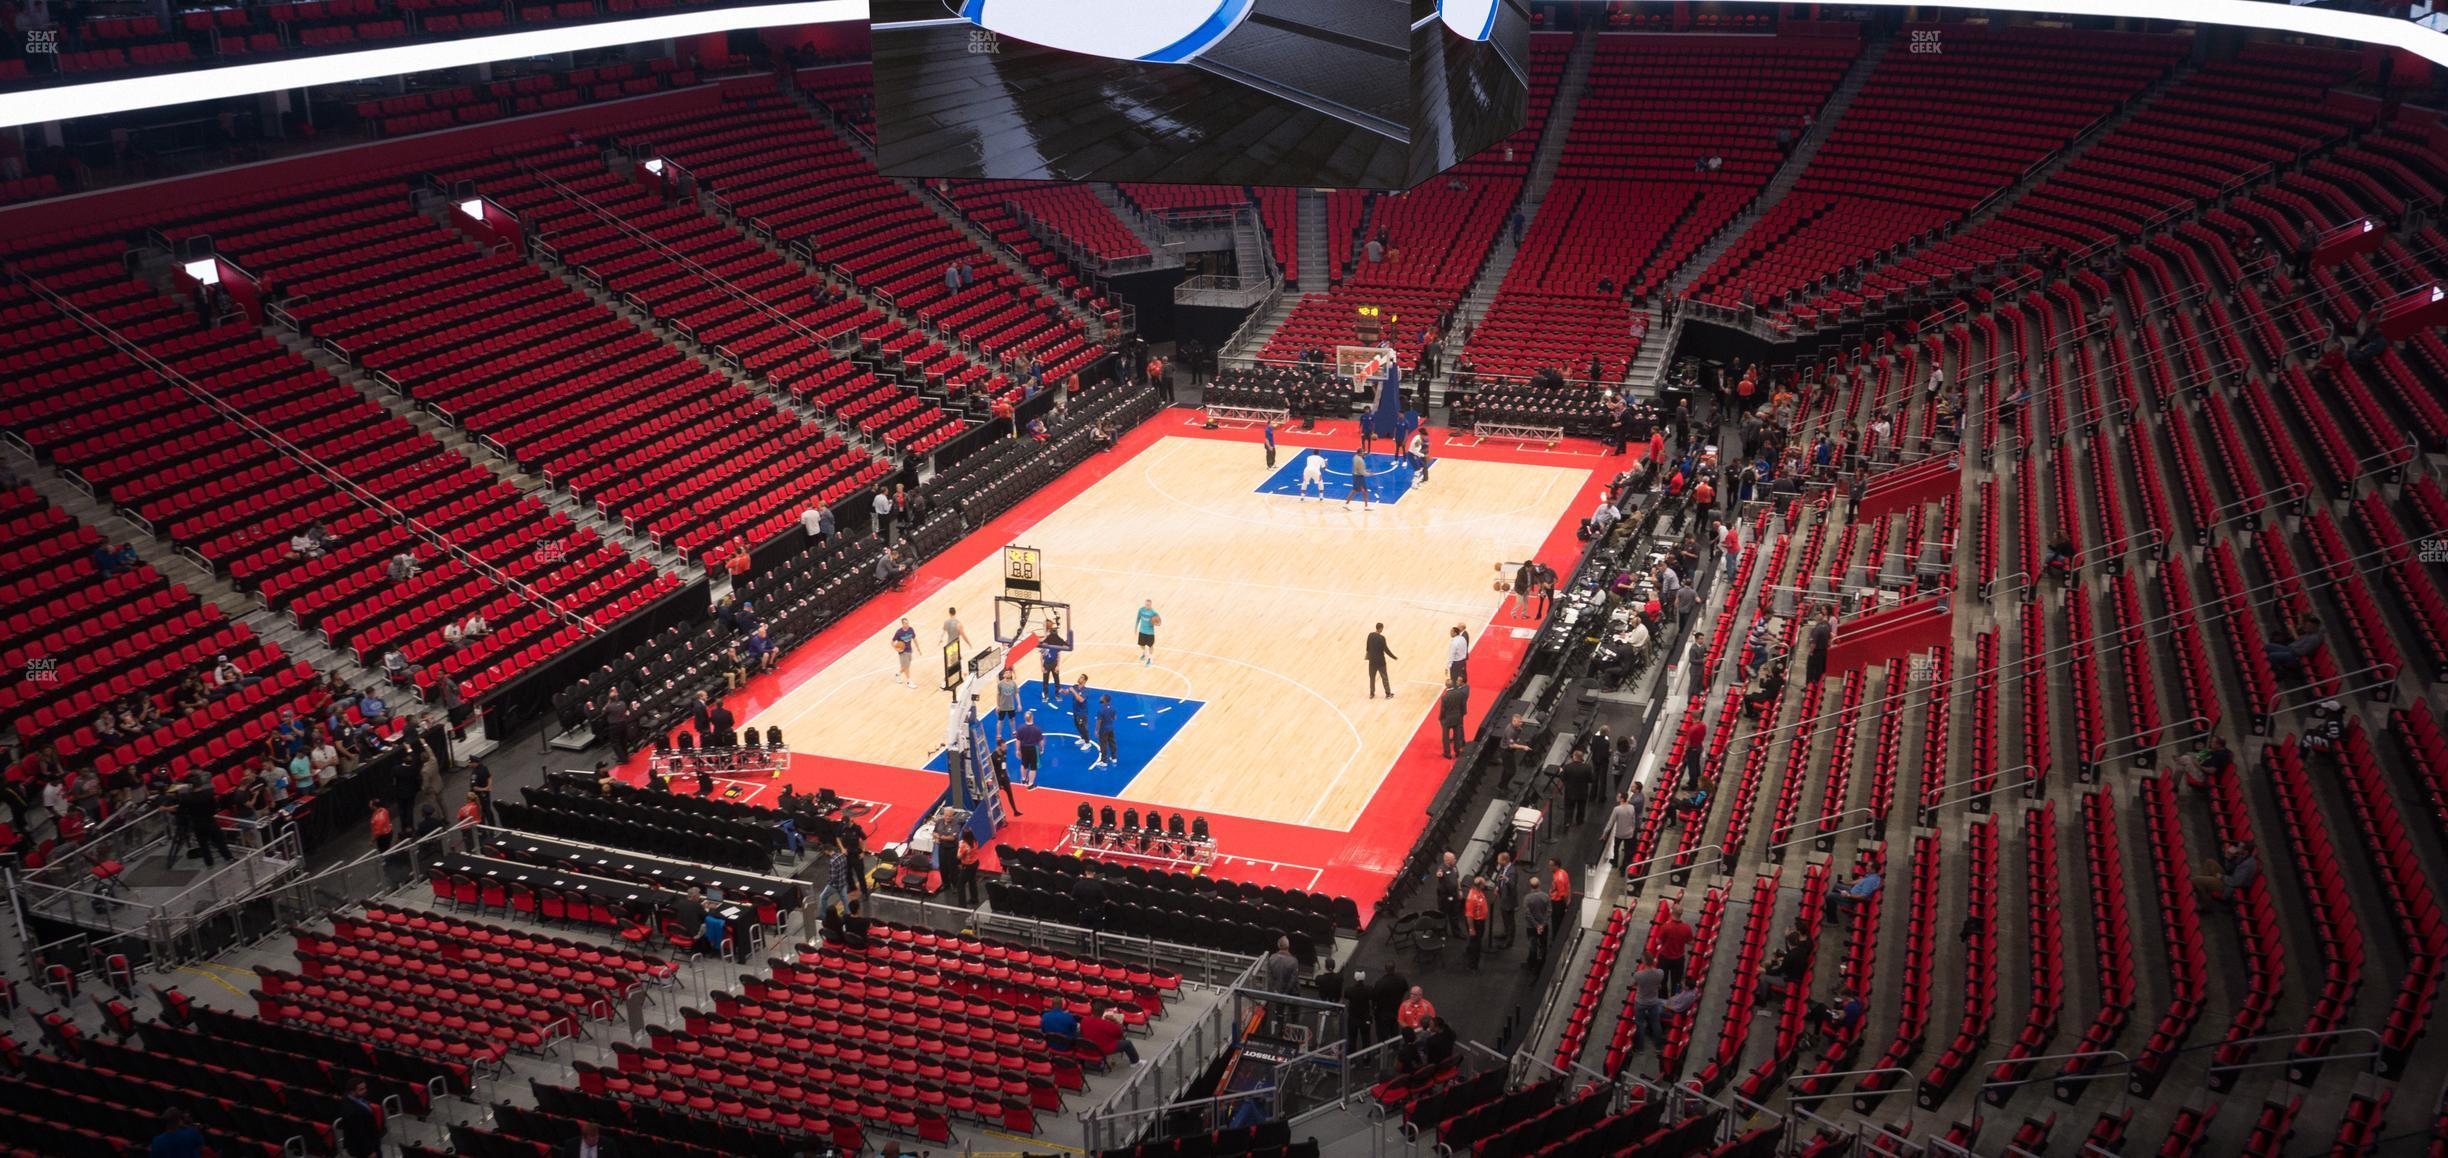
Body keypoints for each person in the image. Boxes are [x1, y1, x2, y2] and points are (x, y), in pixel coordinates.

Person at [2193, 841, 2259, 906]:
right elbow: (2229, 869)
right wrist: (2228, 858)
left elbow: (2236, 882)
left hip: (2229, 887)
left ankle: (2205, 904)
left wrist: (2222, 877)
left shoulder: (2247, 865)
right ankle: (2203, 891)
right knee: (2209, 862)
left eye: (2239, 847)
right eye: (2238, 845)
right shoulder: (2242, 855)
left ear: (2246, 851)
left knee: (2196, 880)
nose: (2236, 848)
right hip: (2229, 877)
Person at [1080, 1001, 1143, 1065]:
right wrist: (1114, 1021)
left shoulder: (1084, 1020)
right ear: (1103, 1012)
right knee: (1128, 1043)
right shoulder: (1105, 1024)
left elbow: (1082, 1032)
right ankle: (1135, 1062)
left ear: (1092, 1011)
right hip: (1101, 1049)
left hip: (1087, 1047)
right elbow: (1119, 1032)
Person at [1628, 954, 1667, 1051]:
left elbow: (1631, 984)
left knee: (1639, 1023)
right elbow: (1658, 984)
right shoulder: (1660, 972)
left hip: (1641, 1002)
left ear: (1644, 962)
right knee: (1655, 1022)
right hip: (1653, 1001)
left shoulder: (1639, 975)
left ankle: (1640, 1048)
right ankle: (1659, 1046)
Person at [1652, 904, 1694, 990]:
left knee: (1662, 981)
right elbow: (1691, 942)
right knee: (1676, 982)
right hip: (1679, 959)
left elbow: (1658, 941)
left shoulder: (1666, 927)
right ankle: (1674, 1000)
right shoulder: (1687, 927)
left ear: (1671, 912)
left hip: (1665, 958)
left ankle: (1663, 999)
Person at [338, 1078, 383, 1157]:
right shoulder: (353, 1112)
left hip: (371, 1143)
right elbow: (359, 1134)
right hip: (364, 1150)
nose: (365, 1090)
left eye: (365, 1088)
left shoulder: (351, 1098)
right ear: (352, 1091)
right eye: (361, 1089)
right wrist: (370, 1151)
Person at [1604, 791, 1643, 869]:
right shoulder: (1631, 807)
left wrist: (1605, 833)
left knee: (1616, 848)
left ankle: (1615, 862)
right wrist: (1632, 829)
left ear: (1622, 799)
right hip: (1629, 833)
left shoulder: (1617, 809)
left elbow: (1611, 822)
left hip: (1619, 833)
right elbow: (1633, 820)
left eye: (1618, 796)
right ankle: (1623, 867)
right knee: (1627, 851)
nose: (1616, 797)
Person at [1521, 876, 1553, 968]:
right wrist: (1542, 925)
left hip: (1531, 927)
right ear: (1539, 885)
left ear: (1530, 886)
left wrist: (1536, 926)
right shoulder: (1546, 896)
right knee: (1543, 944)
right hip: (1544, 926)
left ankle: (1532, 963)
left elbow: (1528, 914)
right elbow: (1549, 911)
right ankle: (1542, 963)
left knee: (1532, 945)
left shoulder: (1527, 898)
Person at [1559, 748, 1595, 826]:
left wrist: (1561, 772)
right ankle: (1579, 821)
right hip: (1582, 792)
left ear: (1574, 757)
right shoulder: (1587, 768)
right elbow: (1591, 780)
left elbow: (1563, 778)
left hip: (1570, 792)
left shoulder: (1567, 767)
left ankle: (1568, 822)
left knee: (1569, 808)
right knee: (1581, 808)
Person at [1462, 876, 1491, 968]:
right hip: (1475, 923)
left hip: (1481, 921)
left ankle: (1470, 949)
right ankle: (1473, 964)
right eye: (1484, 883)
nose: (1485, 884)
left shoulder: (1479, 891)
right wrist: (1471, 929)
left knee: (1476, 941)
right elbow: (1469, 916)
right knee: (1476, 943)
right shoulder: (1472, 898)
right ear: (1480, 885)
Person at [1437, 675, 1469, 757]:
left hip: (1447, 720)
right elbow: (1462, 705)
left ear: (1446, 686)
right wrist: (1461, 714)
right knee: (1456, 736)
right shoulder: (1459, 693)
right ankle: (1457, 752)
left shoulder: (1445, 697)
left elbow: (1443, 710)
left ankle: (1447, 753)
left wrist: (1441, 718)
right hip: (1457, 718)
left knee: (1445, 737)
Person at [1366, 622, 1398, 698]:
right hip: (1380, 662)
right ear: (1380, 628)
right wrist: (1394, 657)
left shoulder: (1370, 635)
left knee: (1372, 678)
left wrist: (1370, 656)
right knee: (1384, 678)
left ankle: (1372, 693)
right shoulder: (1382, 638)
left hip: (1372, 661)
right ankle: (1388, 694)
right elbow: (1386, 650)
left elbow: (1367, 647)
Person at [891, 618, 918, 687]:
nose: (907, 624)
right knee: (906, 667)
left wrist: (918, 648)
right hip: (903, 652)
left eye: (908, 623)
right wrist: (896, 649)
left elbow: (914, 639)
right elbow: (892, 642)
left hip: (909, 650)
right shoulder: (899, 632)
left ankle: (898, 674)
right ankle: (909, 682)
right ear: (902, 624)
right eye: (905, 623)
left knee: (905, 666)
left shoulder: (911, 629)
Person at [1134, 600, 1160, 666]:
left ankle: (1150, 659)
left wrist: (1156, 623)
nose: (1147, 606)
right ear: (1145, 604)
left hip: (1150, 633)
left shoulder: (1154, 613)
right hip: (1142, 631)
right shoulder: (1141, 610)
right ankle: (1144, 653)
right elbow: (1138, 619)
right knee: (1141, 645)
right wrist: (1135, 628)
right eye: (1146, 604)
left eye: (1149, 605)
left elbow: (1159, 622)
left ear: (1151, 605)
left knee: (1150, 646)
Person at [1094, 695, 1119, 765]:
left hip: (1103, 730)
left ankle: (1104, 761)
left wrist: (1096, 731)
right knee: (1112, 743)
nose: (1100, 697)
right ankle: (1114, 758)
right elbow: (1114, 718)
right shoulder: (1112, 708)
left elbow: (1099, 722)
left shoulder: (1101, 710)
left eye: (1101, 697)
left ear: (1104, 700)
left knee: (1103, 745)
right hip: (1111, 728)